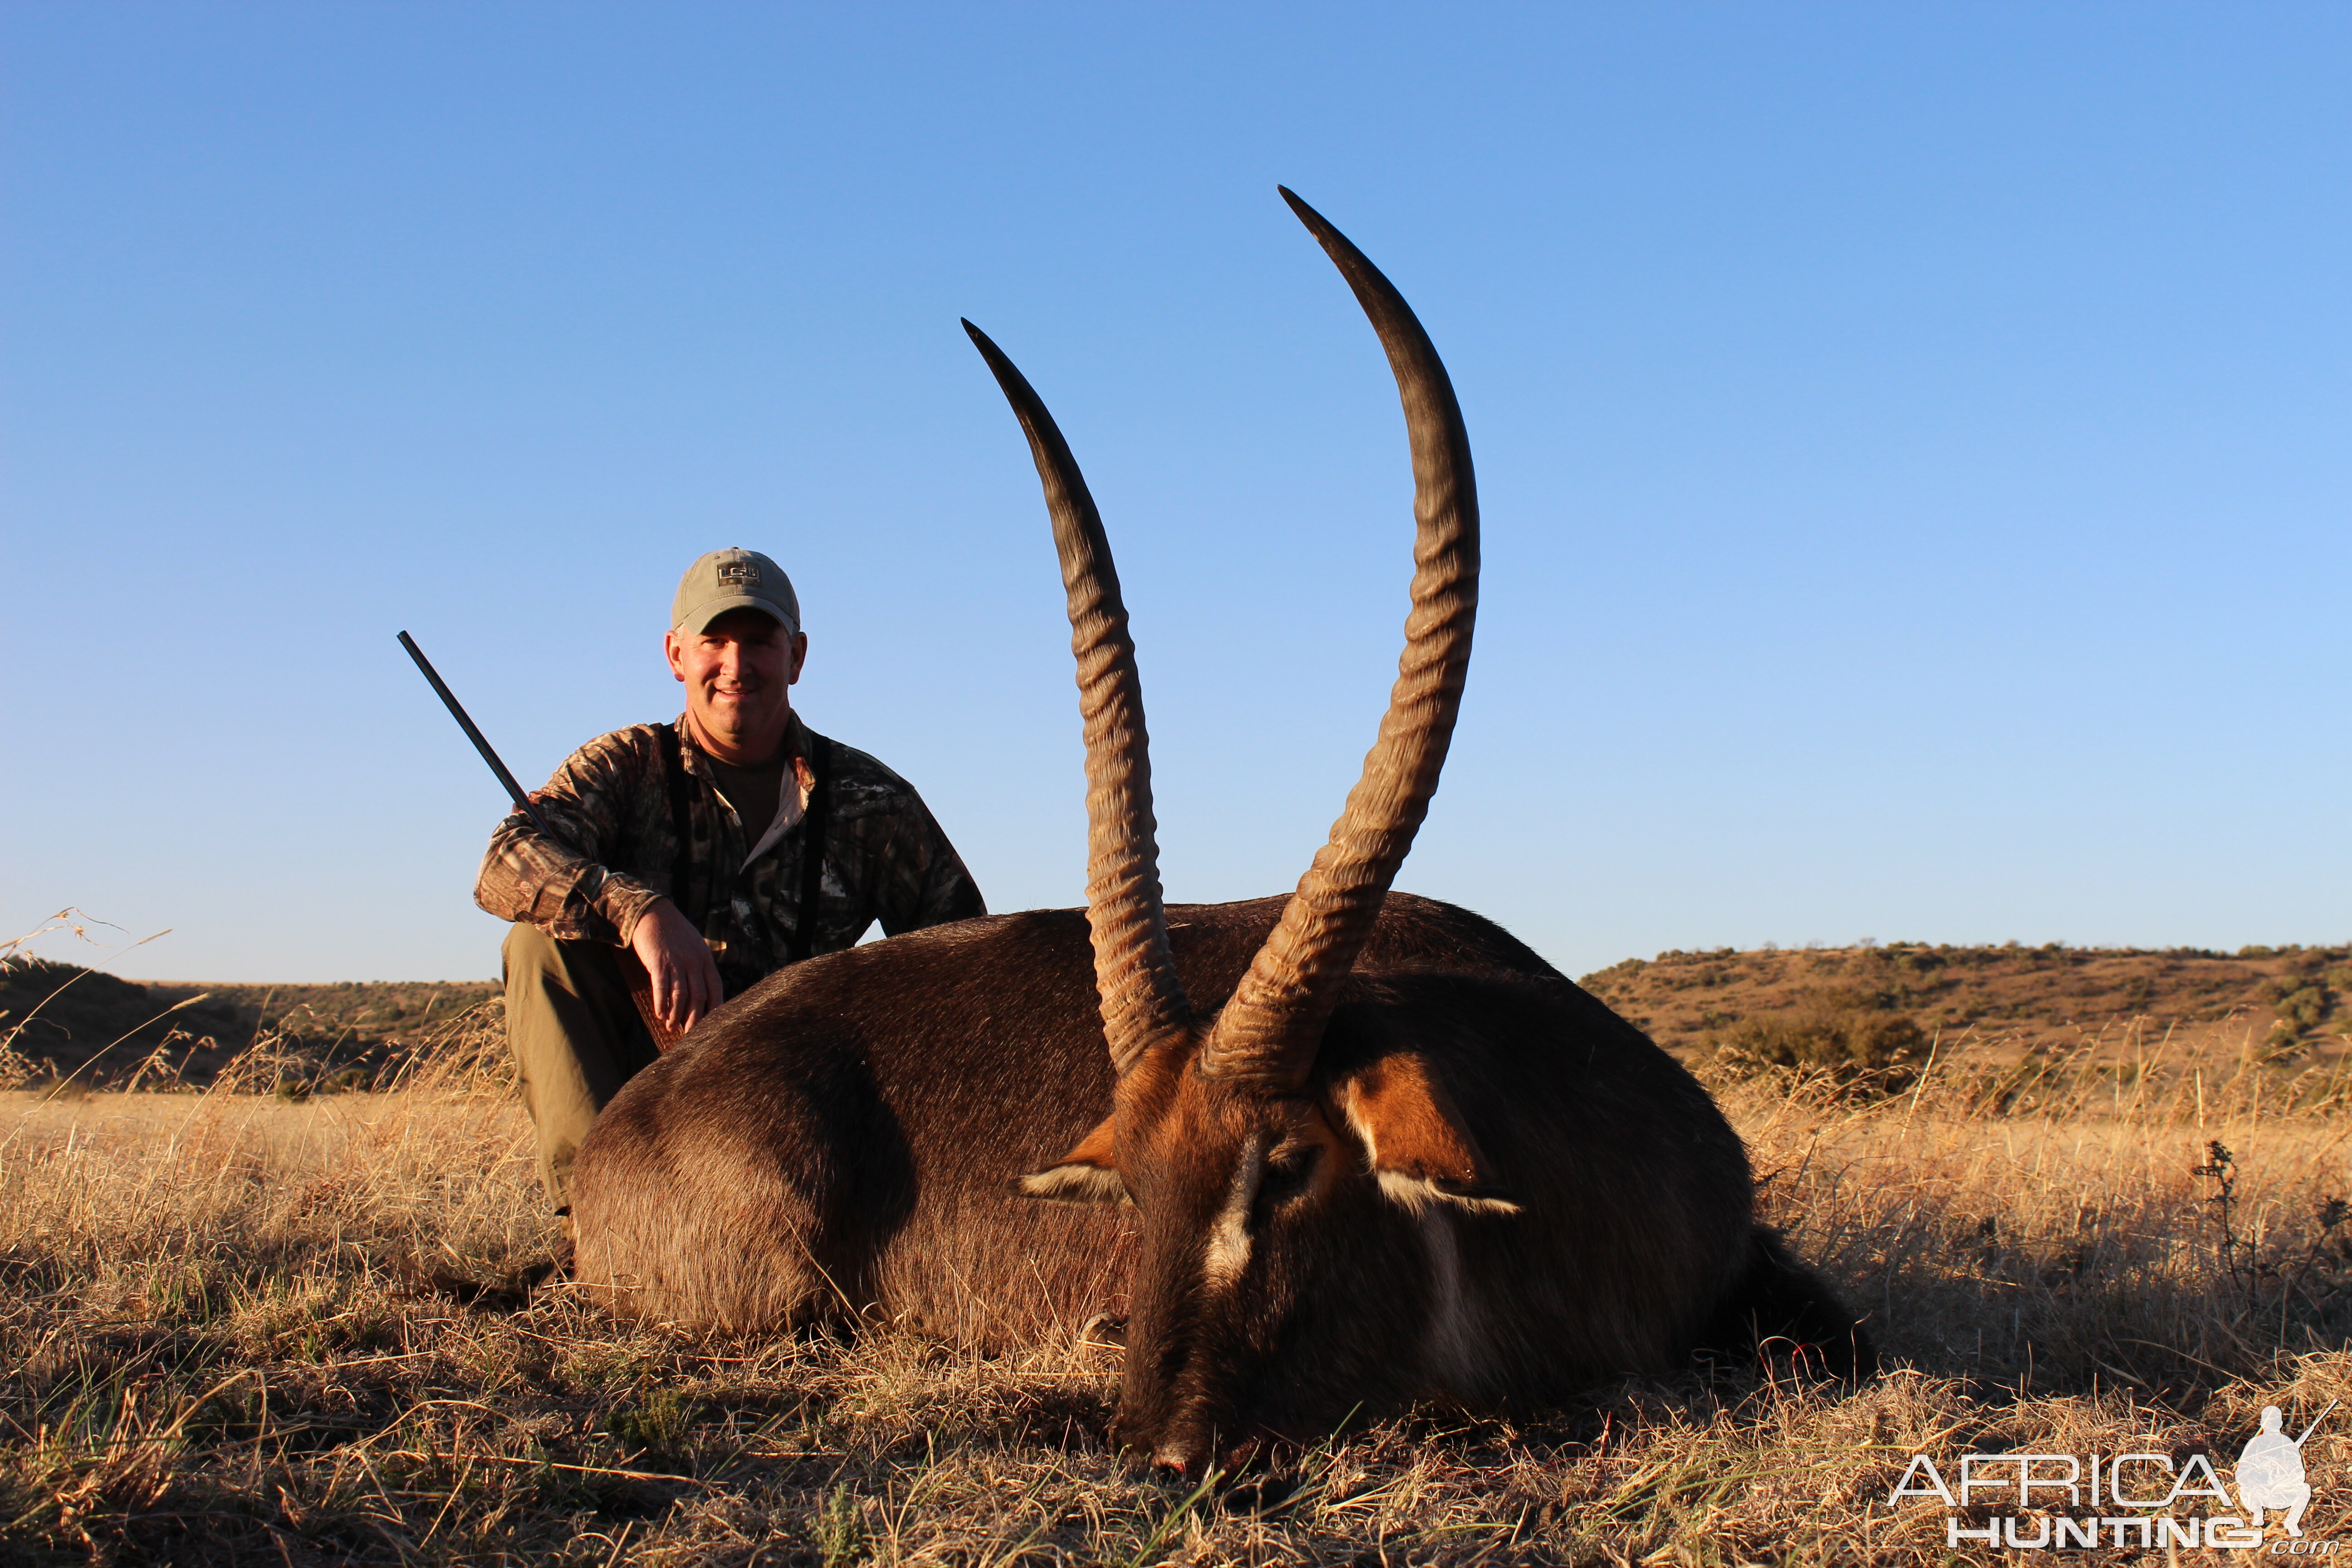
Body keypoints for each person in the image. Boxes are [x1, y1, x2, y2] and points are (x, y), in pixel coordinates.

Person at [476, 547, 985, 1212]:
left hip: (802, 1102)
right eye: (714, 641)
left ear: (796, 656)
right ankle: (593, 1219)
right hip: (647, 1080)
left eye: (759, 643)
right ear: (676, 655)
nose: (736, 667)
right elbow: (505, 861)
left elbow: (963, 959)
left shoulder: (873, 798)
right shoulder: (624, 765)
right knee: (538, 949)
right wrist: (641, 912)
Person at [2235, 1405, 2313, 1536]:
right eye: (2269, 1422)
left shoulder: (2287, 1444)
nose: (2272, 1426)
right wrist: (2259, 1473)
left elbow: (2300, 1474)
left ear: (2281, 1424)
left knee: (2305, 1488)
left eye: (2275, 1422)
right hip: (2260, 1492)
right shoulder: (2255, 1443)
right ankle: (2258, 1514)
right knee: (2246, 1489)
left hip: (2281, 1491)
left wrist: (2283, 1474)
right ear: (2262, 1424)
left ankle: (2292, 1522)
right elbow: (2241, 1474)